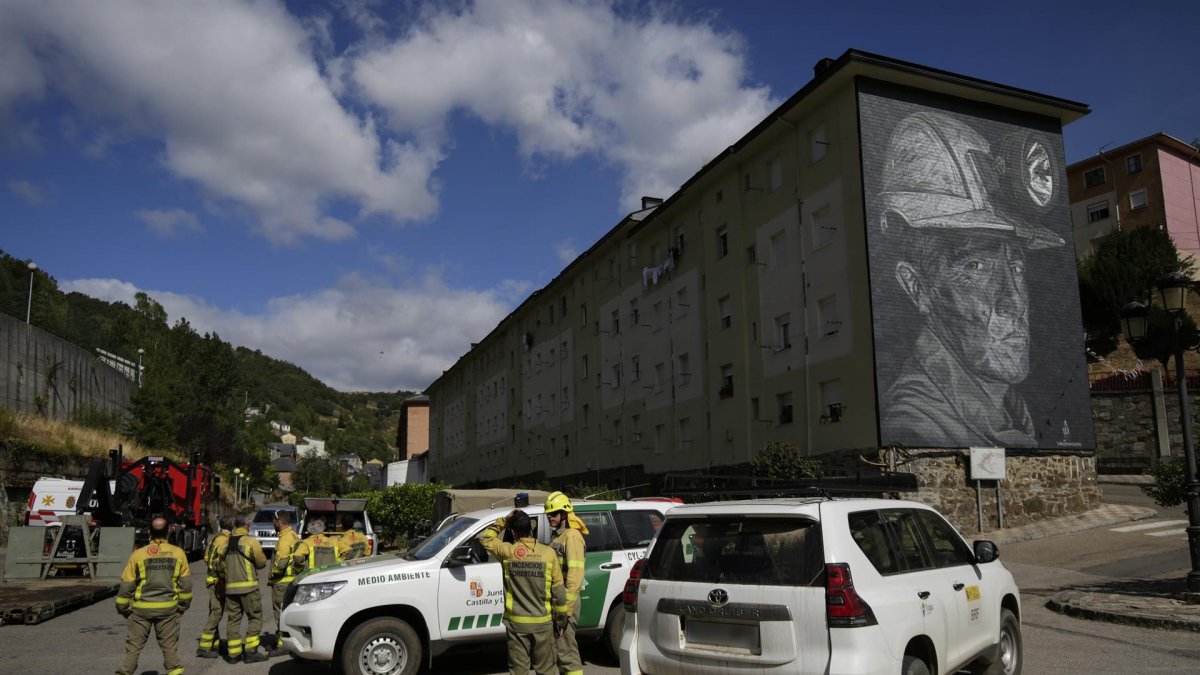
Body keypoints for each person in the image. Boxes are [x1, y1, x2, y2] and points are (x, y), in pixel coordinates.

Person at [876, 111, 1064, 448]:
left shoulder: (1009, 411)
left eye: (1016, 269)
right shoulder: (914, 425)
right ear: (917, 287)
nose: (1013, 302)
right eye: (977, 266)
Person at [478, 510, 567, 675]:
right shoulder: (548, 554)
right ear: (531, 530)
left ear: (513, 532)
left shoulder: (508, 552)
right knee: (546, 670)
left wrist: (504, 520)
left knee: (519, 670)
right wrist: (561, 621)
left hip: (516, 624)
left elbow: (486, 538)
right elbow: (559, 592)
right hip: (543, 623)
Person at [114, 516, 192, 675]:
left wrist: (123, 608)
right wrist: (182, 607)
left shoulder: (138, 554)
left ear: (149, 532)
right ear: (169, 531)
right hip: (168, 609)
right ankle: (174, 671)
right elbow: (186, 586)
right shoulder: (178, 553)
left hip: (141, 609)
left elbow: (127, 585)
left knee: (133, 648)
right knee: (169, 648)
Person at [216, 513, 269, 663]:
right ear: (247, 524)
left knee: (233, 620)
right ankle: (251, 652)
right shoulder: (251, 542)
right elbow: (261, 562)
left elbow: (219, 566)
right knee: (255, 618)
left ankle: (233, 655)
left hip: (231, 589)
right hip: (249, 588)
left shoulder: (225, 544)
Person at [544, 491, 588, 675]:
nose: (550, 518)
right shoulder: (558, 536)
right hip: (557, 601)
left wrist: (566, 611)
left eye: (553, 514)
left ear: (564, 514)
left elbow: (575, 575)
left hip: (565, 603)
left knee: (566, 652)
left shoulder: (571, 536)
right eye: (548, 515)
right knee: (559, 651)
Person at [196, 516, 232, 658]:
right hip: (217, 581)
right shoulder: (224, 540)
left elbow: (207, 558)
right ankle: (204, 647)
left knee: (215, 611)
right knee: (216, 612)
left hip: (213, 580)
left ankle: (214, 643)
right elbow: (220, 562)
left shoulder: (216, 538)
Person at [267, 509, 300, 653]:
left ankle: (281, 645)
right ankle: (284, 640)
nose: (272, 523)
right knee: (286, 613)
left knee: (279, 614)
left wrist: (272, 574)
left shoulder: (284, 540)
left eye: (273, 521)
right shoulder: (293, 535)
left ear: (278, 522)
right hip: (291, 581)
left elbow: (281, 564)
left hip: (281, 583)